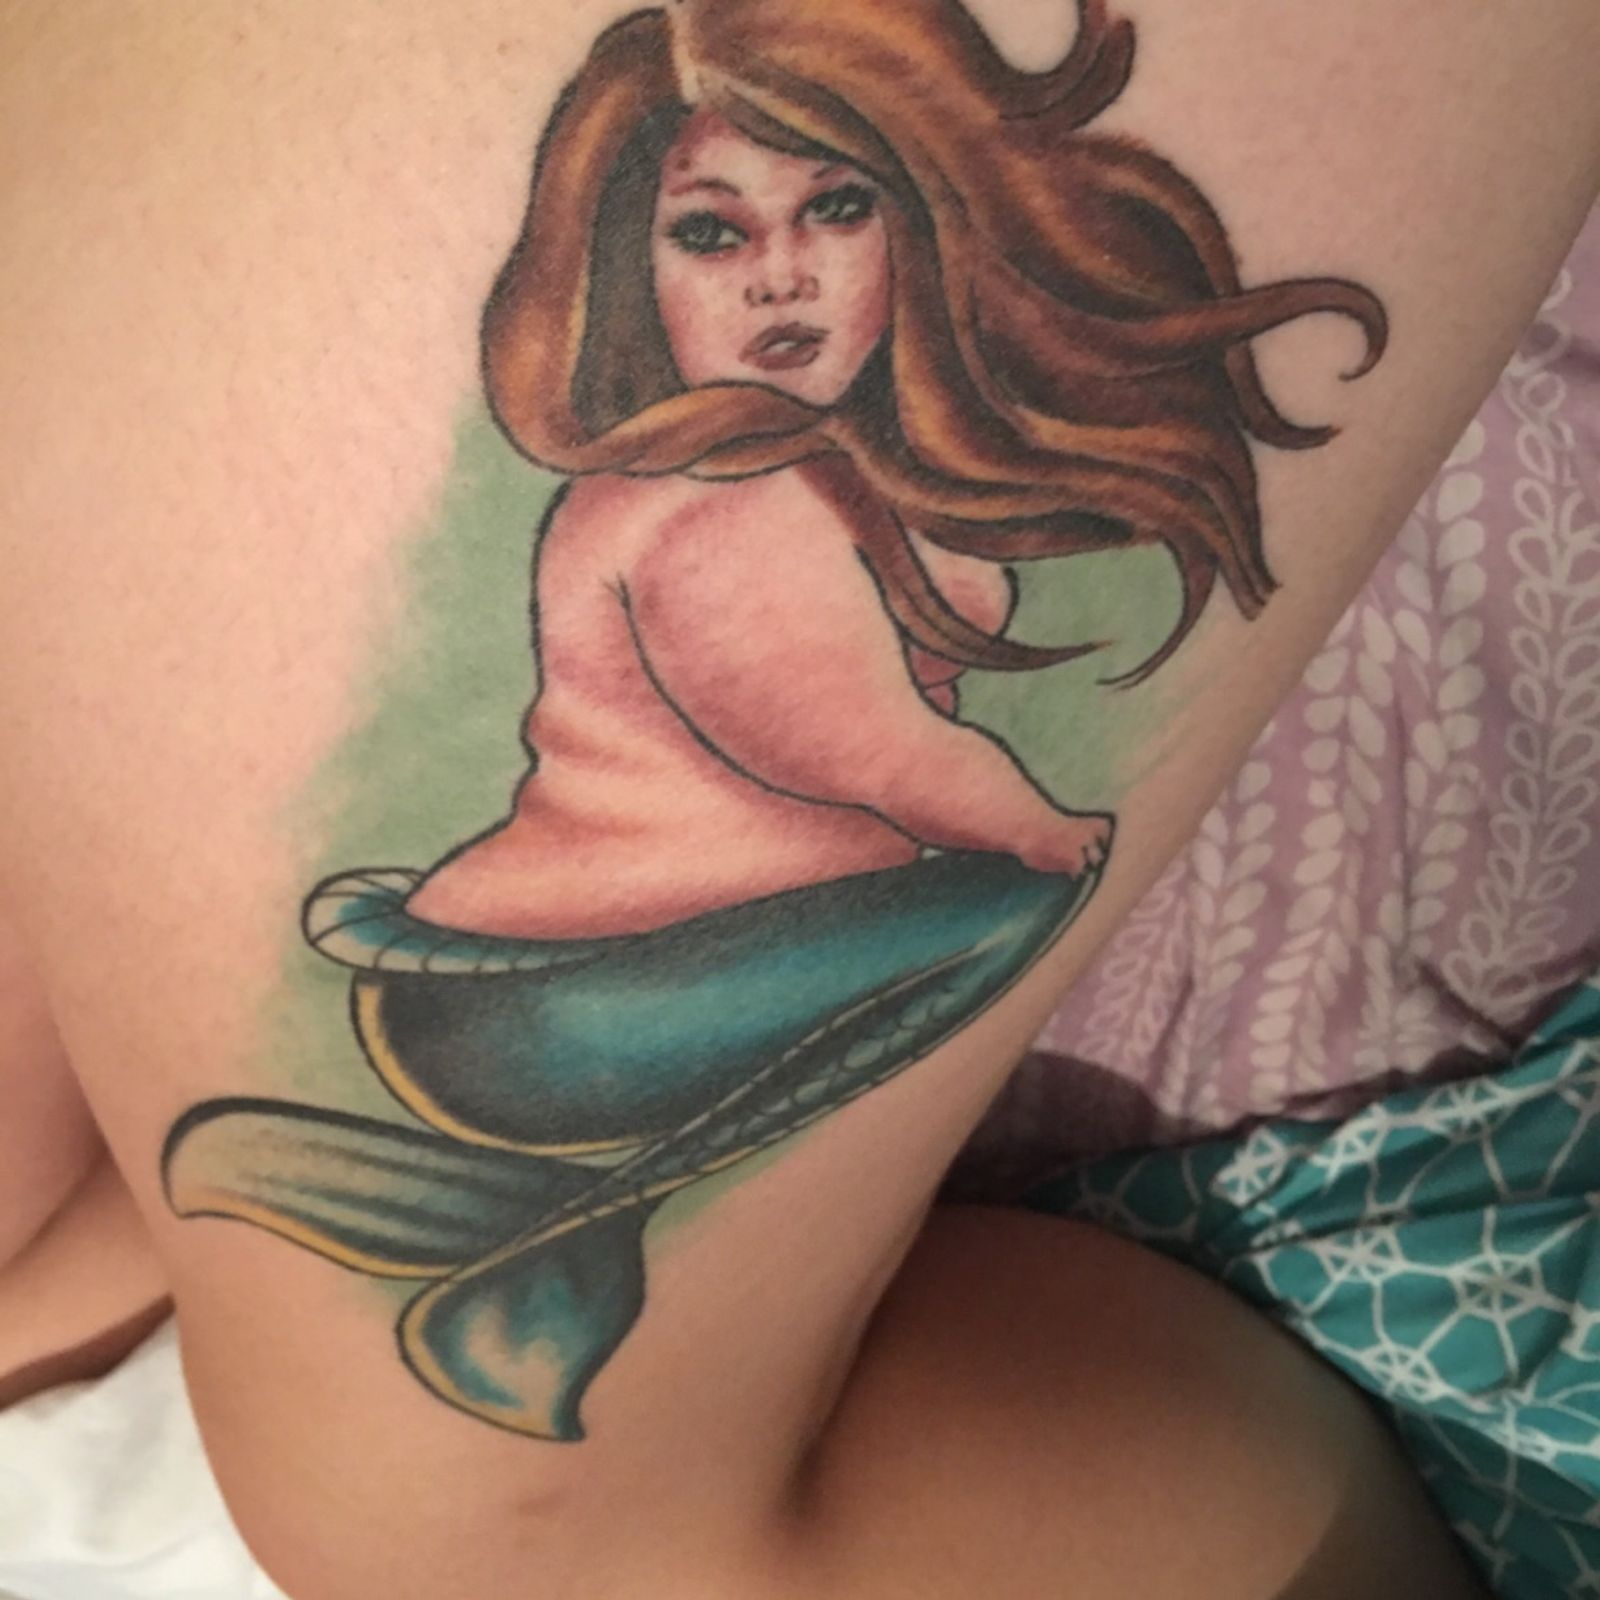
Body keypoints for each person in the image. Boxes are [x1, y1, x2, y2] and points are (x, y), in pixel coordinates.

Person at [1, 0, 1596, 1594]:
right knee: (494, 1540)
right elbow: (861, 741)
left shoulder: (736, 476)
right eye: (712, 231)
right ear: (625, 262)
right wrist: (1035, 826)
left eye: (836, 209)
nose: (781, 274)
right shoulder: (735, 497)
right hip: (573, 1007)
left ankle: (521, 1224)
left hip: (514, 1001)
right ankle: (547, 1229)